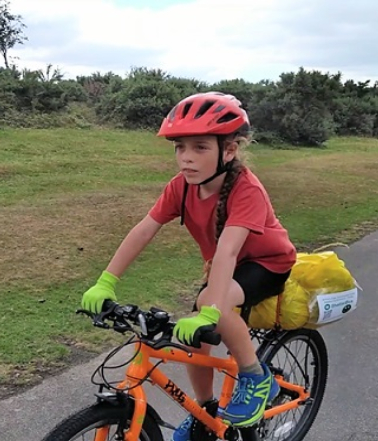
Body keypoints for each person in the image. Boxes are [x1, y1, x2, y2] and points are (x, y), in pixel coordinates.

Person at [80, 92, 297, 439]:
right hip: (226, 267)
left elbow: (227, 250)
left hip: (266, 263)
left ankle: (257, 377)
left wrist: (212, 307)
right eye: (180, 147)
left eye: (199, 147)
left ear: (229, 150)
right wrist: (106, 280)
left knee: (211, 305)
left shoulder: (246, 189)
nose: (186, 158)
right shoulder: (181, 187)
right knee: (197, 339)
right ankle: (206, 409)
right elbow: (144, 229)